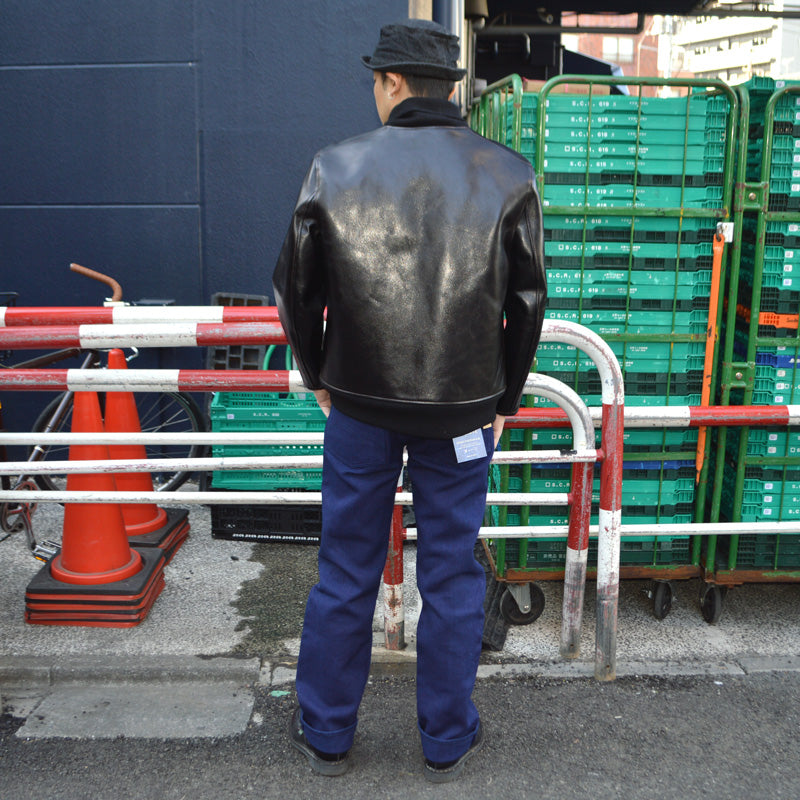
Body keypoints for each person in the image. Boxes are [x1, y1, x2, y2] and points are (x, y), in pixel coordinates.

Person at [273, 18, 546, 783]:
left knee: (345, 569)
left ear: (391, 82)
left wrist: (317, 375)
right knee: (451, 574)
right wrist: (506, 397)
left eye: (376, 80)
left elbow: (296, 289)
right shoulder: (506, 172)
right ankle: (446, 739)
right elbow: (528, 299)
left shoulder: (335, 167)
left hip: (359, 404)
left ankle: (327, 733)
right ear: (447, 87)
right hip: (464, 409)